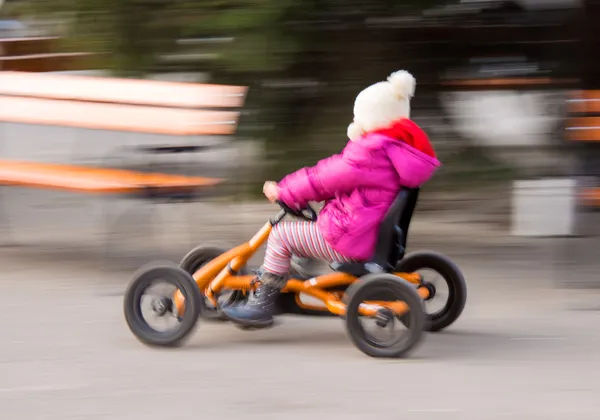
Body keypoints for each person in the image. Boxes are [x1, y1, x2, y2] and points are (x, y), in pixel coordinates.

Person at [222, 70, 441, 328]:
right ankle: (297, 277)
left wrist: (284, 191)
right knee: (311, 228)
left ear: (371, 118)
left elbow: (323, 178)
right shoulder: (397, 153)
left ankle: (262, 304)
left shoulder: (369, 153)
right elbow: (337, 182)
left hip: (351, 238)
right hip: (371, 235)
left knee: (281, 235)